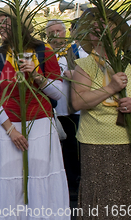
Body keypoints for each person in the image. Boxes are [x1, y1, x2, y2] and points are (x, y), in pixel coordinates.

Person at [71, 8, 131, 218]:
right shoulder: (85, 65)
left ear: (117, 32)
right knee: (104, 197)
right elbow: (77, 102)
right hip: (98, 145)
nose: (99, 32)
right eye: (93, 29)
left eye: (105, 27)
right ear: (89, 37)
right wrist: (110, 88)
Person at [0, 6, 68, 219]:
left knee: (42, 177)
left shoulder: (44, 52)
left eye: (6, 22)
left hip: (41, 125)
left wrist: (37, 76)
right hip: (7, 128)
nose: (1, 27)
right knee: (10, 180)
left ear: (21, 25)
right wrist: (11, 130)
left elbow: (58, 94)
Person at [46, 19, 81, 200]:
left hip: (72, 109)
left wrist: (74, 74)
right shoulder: (43, 53)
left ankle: (74, 184)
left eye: (59, 30)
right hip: (51, 110)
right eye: (52, 31)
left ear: (65, 32)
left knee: (72, 148)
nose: (56, 34)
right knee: (54, 150)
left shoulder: (73, 52)